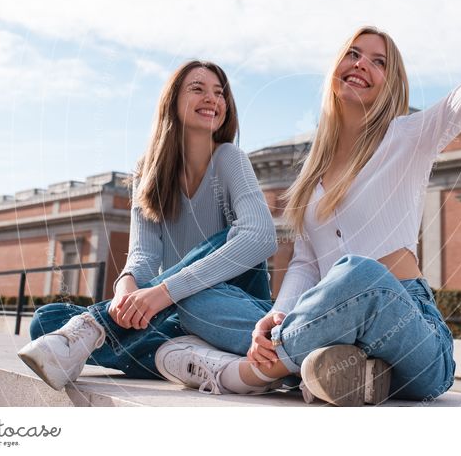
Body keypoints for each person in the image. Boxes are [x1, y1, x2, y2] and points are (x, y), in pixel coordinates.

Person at [150, 0, 461, 406]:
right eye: (354, 54)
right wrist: (274, 318)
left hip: (412, 333)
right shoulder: (314, 175)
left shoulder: (410, 137)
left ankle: (247, 373)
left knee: (359, 273)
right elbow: (305, 264)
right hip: (337, 327)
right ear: (337, 67)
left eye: (378, 61)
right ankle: (330, 365)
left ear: (388, 81)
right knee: (199, 299)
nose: (362, 65)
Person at [17, 60, 278, 391]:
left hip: (228, 302)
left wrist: (163, 292)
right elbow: (142, 255)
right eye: (198, 89)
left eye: (220, 92)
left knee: (229, 240)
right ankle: (188, 357)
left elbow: (260, 237)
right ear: (171, 102)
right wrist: (126, 288)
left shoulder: (229, 158)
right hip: (174, 311)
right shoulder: (148, 173)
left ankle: (96, 326)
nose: (213, 98)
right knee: (46, 321)